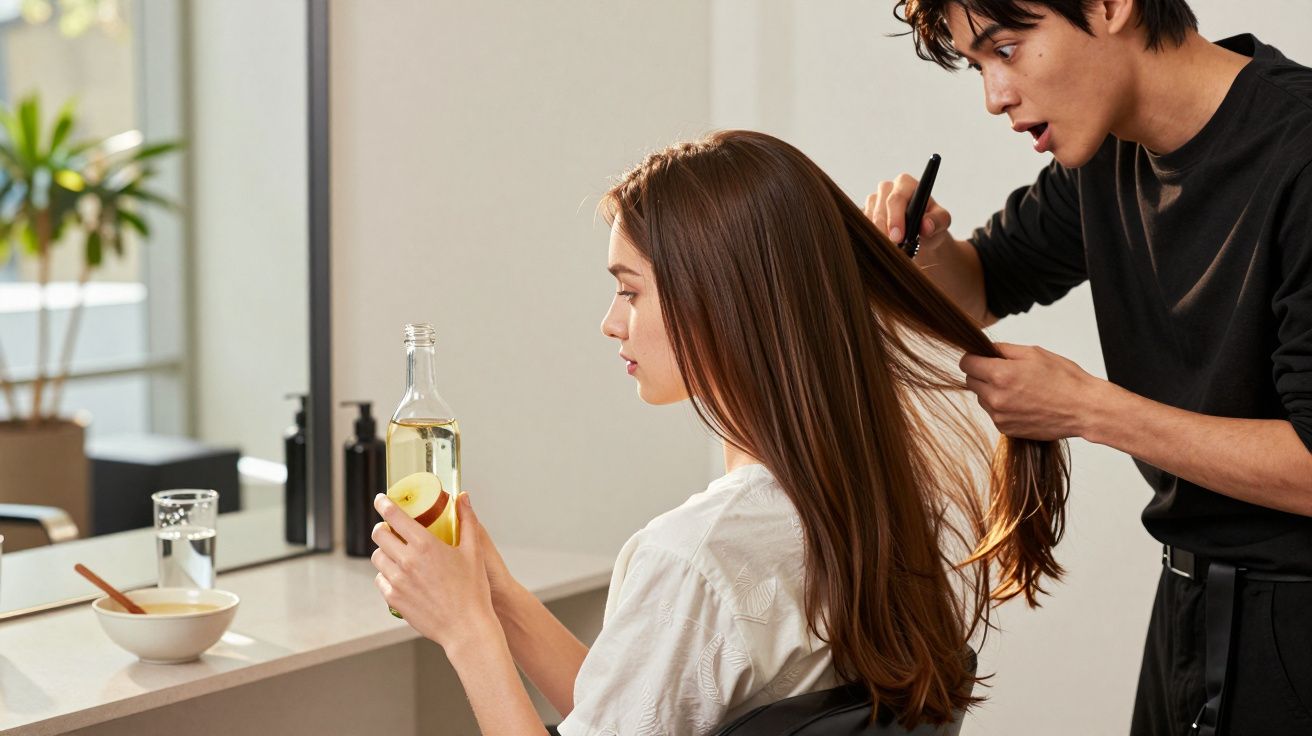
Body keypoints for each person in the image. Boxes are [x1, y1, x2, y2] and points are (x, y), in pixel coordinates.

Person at [370, 130, 1069, 734]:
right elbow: (645, 709)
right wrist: (495, 593)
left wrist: (467, 634)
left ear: (720, 302)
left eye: (630, 289)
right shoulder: (889, 505)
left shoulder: (697, 558)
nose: (611, 322)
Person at [872, 1, 1312, 733]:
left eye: (1006, 50)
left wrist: (1086, 409)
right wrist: (931, 248)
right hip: (1187, 603)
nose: (994, 97)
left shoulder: (1299, 153)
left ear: (1110, 6)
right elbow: (982, 287)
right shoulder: (1108, 149)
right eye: (978, 66)